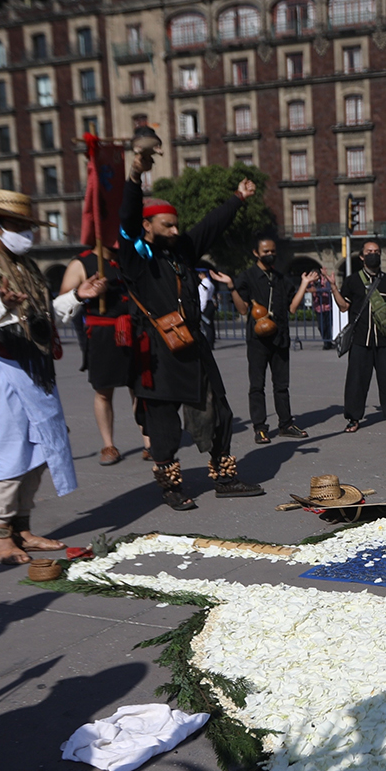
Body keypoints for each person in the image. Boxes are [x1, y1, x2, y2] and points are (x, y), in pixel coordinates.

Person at [116, 152, 264, 509]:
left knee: (219, 410)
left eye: (176, 225)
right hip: (158, 350)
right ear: (147, 226)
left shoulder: (180, 250)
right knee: (163, 423)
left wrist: (238, 198)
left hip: (193, 344)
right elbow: (127, 220)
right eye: (167, 226)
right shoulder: (135, 255)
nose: (175, 231)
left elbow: (210, 226)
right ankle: (171, 487)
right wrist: (134, 177)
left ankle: (225, 477)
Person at [0, 189, 85, 564]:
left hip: (31, 367)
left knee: (42, 447)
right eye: (18, 225)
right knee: (7, 451)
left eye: (28, 226)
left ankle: (22, 529)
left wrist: (77, 296)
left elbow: (41, 315)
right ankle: (1, 539)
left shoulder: (25, 266)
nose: (27, 233)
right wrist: (1, 304)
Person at [58, 244, 141, 465]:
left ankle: (149, 440)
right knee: (103, 391)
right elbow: (63, 301)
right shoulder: (81, 262)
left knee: (139, 387)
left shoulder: (131, 257)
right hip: (102, 333)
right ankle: (108, 445)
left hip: (134, 329)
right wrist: (85, 292)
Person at [231, 235, 313, 443]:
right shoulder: (247, 277)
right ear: (256, 253)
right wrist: (232, 288)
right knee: (257, 385)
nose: (270, 254)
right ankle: (260, 428)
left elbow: (292, 308)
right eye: (266, 251)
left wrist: (304, 284)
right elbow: (242, 309)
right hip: (258, 340)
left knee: (282, 385)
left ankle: (286, 424)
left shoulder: (280, 278)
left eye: (273, 251)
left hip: (280, 338)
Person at [332, 240, 386, 431]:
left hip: (384, 340)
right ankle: (353, 419)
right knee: (356, 381)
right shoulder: (352, 281)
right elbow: (344, 307)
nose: (373, 254)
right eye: (369, 251)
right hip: (360, 339)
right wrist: (333, 288)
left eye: (377, 252)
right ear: (362, 256)